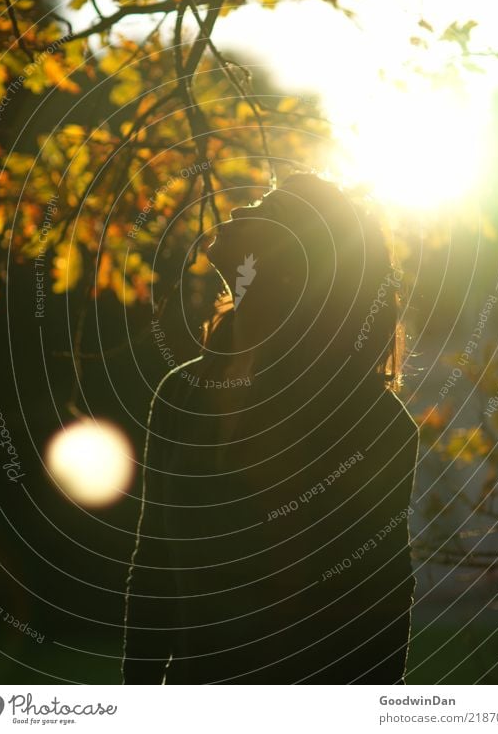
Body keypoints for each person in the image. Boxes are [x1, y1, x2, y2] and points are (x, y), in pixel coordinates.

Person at [122, 172, 419, 684]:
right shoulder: (182, 392)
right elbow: (153, 571)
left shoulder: (369, 422)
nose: (239, 211)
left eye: (269, 210)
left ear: (296, 264)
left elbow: (380, 605)